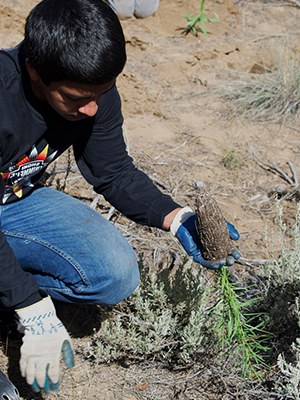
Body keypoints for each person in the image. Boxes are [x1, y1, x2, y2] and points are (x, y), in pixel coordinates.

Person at [0, 0, 240, 394]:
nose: (92, 108)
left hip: (14, 203)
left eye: (103, 92)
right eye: (75, 98)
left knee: (113, 271)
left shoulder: (92, 92)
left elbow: (113, 171)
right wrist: (31, 305)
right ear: (34, 71)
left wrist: (177, 217)